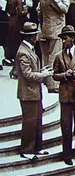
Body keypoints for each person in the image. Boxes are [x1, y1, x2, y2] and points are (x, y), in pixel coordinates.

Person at [16, 22, 54, 161]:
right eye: (35, 35)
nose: (37, 37)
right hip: (28, 93)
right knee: (30, 122)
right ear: (31, 36)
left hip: (34, 92)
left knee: (37, 121)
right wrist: (42, 75)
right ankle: (27, 149)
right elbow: (27, 74)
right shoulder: (23, 52)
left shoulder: (28, 49)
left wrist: (41, 72)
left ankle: (37, 147)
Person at [53, 25, 75, 164]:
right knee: (66, 126)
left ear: (72, 38)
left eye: (65, 38)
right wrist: (64, 75)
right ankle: (67, 154)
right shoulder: (58, 56)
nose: (63, 41)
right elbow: (54, 75)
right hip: (65, 95)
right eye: (62, 39)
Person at [38, 0, 70, 92]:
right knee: (53, 57)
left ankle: (45, 80)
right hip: (56, 29)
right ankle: (52, 85)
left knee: (45, 57)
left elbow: (39, 11)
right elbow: (64, 9)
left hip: (45, 28)